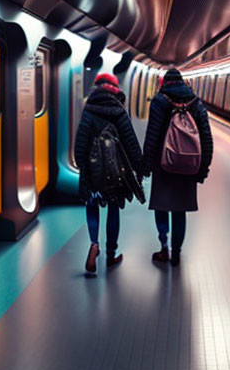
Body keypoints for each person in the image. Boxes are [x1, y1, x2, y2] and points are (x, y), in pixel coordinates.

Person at [140, 68, 213, 267]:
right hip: (189, 165)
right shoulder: (196, 104)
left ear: (164, 83)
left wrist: (146, 165)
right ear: (183, 83)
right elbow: (206, 138)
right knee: (180, 211)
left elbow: (152, 135)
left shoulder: (159, 101)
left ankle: (164, 246)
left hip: (163, 164)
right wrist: (203, 168)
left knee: (162, 206)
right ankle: (177, 252)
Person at [74, 73, 143, 274]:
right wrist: (140, 166)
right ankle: (111, 254)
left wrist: (83, 166)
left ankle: (94, 245)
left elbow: (81, 143)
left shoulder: (89, 108)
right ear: (115, 88)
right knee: (114, 208)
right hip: (114, 171)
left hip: (93, 171)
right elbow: (130, 141)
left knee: (92, 205)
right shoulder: (119, 110)